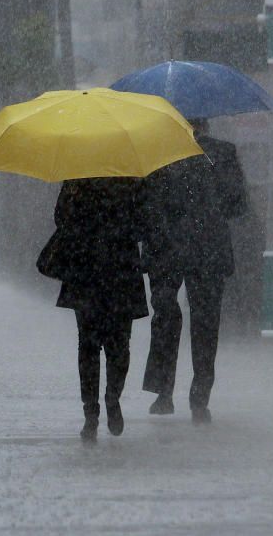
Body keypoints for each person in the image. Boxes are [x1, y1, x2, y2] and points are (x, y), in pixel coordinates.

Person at [142, 119, 248, 423]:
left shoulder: (158, 154)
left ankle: (163, 393)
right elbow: (238, 206)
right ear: (206, 122)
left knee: (165, 314)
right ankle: (200, 399)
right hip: (208, 249)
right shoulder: (223, 153)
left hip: (167, 247)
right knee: (205, 322)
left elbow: (147, 205)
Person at [38, 178, 147, 444]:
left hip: (85, 269)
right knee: (119, 343)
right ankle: (112, 398)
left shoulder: (77, 179)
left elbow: (61, 219)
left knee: (88, 345)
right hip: (121, 270)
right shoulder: (130, 179)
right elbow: (143, 224)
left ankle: (91, 412)